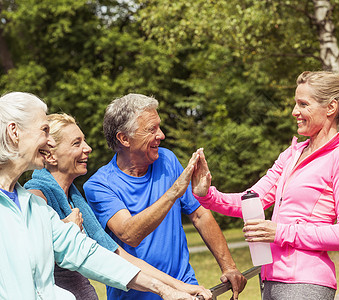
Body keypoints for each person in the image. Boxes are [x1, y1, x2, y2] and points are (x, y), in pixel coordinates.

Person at [0, 91, 209, 300]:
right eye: (44, 130)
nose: (49, 142)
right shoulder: (39, 198)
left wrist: (169, 289)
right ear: (14, 132)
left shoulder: (33, 206)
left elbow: (93, 254)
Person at [191, 71, 339, 300]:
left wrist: (280, 232)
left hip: (305, 284)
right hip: (270, 281)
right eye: (295, 104)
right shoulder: (292, 154)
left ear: (331, 107)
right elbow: (251, 199)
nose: (294, 112)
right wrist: (207, 195)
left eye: (303, 104)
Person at [83, 94, 247, 300]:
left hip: (186, 289)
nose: (161, 135)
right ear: (124, 138)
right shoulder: (99, 185)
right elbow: (129, 234)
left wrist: (229, 267)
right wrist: (173, 192)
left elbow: (199, 215)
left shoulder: (166, 159)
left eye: (159, 127)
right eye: (151, 129)